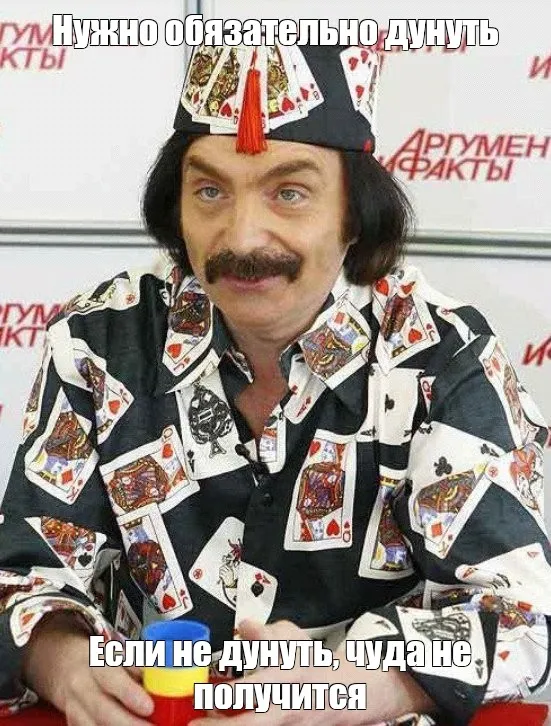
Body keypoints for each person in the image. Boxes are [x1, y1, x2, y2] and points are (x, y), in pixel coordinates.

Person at [0, 41, 549, 726]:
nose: (242, 237)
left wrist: (351, 688)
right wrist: (59, 659)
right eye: (209, 191)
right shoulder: (101, 342)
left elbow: (518, 618)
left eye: (289, 193)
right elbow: (24, 575)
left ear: (354, 214)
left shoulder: (442, 359)